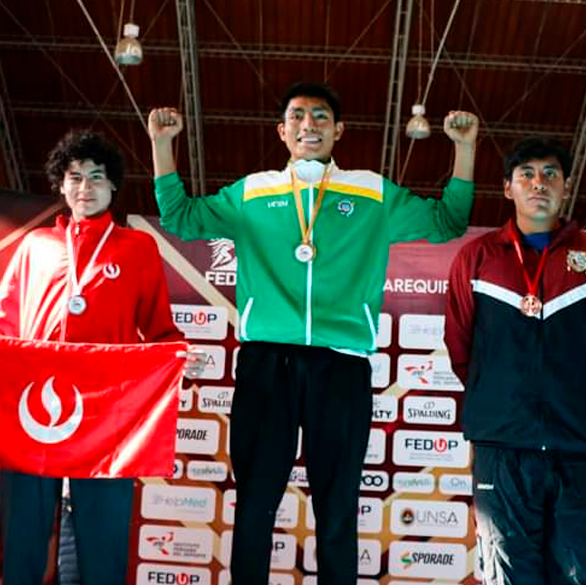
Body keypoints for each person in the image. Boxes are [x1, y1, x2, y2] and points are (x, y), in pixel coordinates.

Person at [147, 82, 478, 585]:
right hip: (266, 364)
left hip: (341, 365)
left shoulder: (371, 193)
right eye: (297, 116)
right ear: (281, 131)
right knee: (255, 501)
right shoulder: (252, 192)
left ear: (339, 130)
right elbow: (181, 216)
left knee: (337, 505)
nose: (309, 125)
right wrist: (162, 146)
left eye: (320, 116)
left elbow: (448, 221)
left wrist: (465, 150)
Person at [0, 129, 199, 585]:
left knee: (102, 542)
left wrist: (180, 356)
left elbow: (159, 330)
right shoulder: (36, 246)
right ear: (61, 186)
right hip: (30, 415)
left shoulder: (138, 249)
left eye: (96, 177)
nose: (85, 187)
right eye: (75, 177)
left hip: (106, 417)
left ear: (113, 185)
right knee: (23, 540)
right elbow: (0, 323)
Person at [444, 137, 586, 585]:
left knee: (582, 575)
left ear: (566, 187)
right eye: (526, 174)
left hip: (579, 447)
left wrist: (577, 401)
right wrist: (500, 401)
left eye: (550, 174)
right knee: (508, 576)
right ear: (508, 188)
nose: (538, 183)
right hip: (502, 449)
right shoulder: (477, 258)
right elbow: (460, 347)